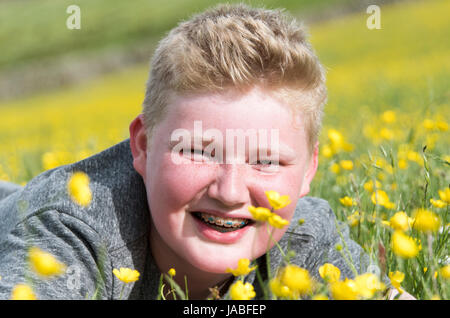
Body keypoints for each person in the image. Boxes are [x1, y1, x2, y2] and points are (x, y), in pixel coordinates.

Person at [0, 3, 409, 300]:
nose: (230, 192)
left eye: (266, 161)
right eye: (197, 151)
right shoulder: (69, 234)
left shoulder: (305, 239)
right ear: (141, 146)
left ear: (308, 170)